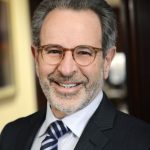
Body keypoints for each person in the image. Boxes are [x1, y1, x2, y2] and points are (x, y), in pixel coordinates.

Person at [0, 0, 150, 149]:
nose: (66, 70)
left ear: (107, 61)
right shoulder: (11, 135)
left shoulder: (141, 142)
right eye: (54, 51)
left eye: (84, 52)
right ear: (36, 58)